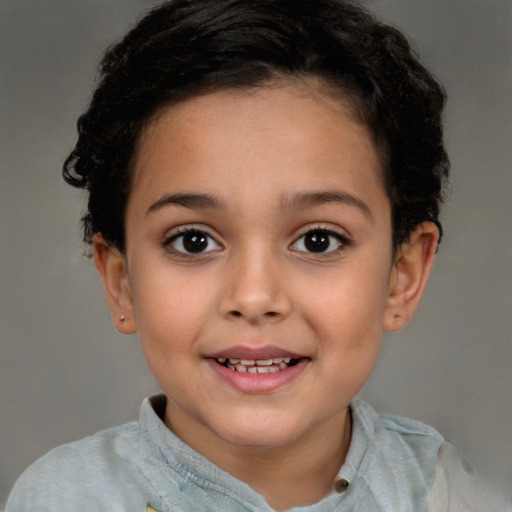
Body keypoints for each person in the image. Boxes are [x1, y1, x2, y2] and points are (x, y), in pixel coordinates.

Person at [6, 0, 510, 510]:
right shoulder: (58, 498)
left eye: (318, 240)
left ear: (401, 277)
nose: (253, 297)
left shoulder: (448, 493)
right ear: (122, 283)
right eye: (193, 240)